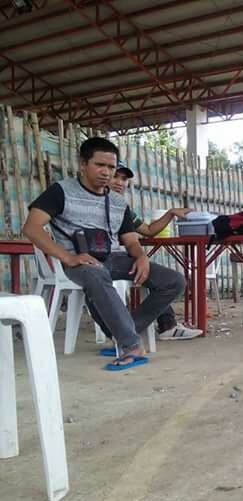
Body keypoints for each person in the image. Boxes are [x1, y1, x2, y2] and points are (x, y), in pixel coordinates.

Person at [22, 137, 185, 369]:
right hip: (81, 261)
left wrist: (141, 257)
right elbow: (32, 227)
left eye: (111, 167)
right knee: (97, 274)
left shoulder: (118, 202)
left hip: (114, 257)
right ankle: (131, 345)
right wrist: (69, 257)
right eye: (99, 165)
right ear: (83, 164)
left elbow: (130, 240)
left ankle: (122, 330)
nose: (106, 172)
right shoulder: (61, 191)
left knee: (174, 280)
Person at [105, 161, 201, 340]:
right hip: (95, 262)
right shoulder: (90, 201)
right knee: (153, 274)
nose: (119, 182)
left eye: (123, 179)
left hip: (117, 259)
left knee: (161, 276)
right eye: (115, 176)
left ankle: (164, 325)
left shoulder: (121, 207)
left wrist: (171, 213)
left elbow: (148, 231)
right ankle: (126, 331)